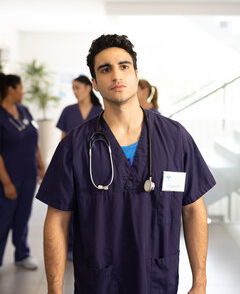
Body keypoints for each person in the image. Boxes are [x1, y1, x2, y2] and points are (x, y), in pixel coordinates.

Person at [37, 34, 216, 294]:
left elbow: (193, 209)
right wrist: (54, 289)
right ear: (95, 83)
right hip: (100, 282)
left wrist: (200, 281)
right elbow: (57, 220)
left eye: (124, 66)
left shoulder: (175, 138)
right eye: (105, 69)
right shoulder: (75, 145)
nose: (117, 76)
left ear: (136, 74)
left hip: (157, 280)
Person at [0, 73, 45, 270]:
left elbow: (34, 141)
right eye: (20, 88)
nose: (23, 91)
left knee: (23, 218)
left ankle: (22, 254)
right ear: (11, 89)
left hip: (28, 175)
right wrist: (7, 183)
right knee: (3, 221)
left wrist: (41, 166)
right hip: (8, 178)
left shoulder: (24, 110)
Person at [56, 74, 102, 260]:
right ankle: (70, 248)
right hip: (71, 165)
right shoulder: (68, 111)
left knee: (90, 207)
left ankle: (89, 246)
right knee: (70, 206)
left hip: (94, 167)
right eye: (73, 88)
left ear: (88, 88)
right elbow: (64, 139)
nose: (75, 92)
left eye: (78, 88)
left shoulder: (100, 111)